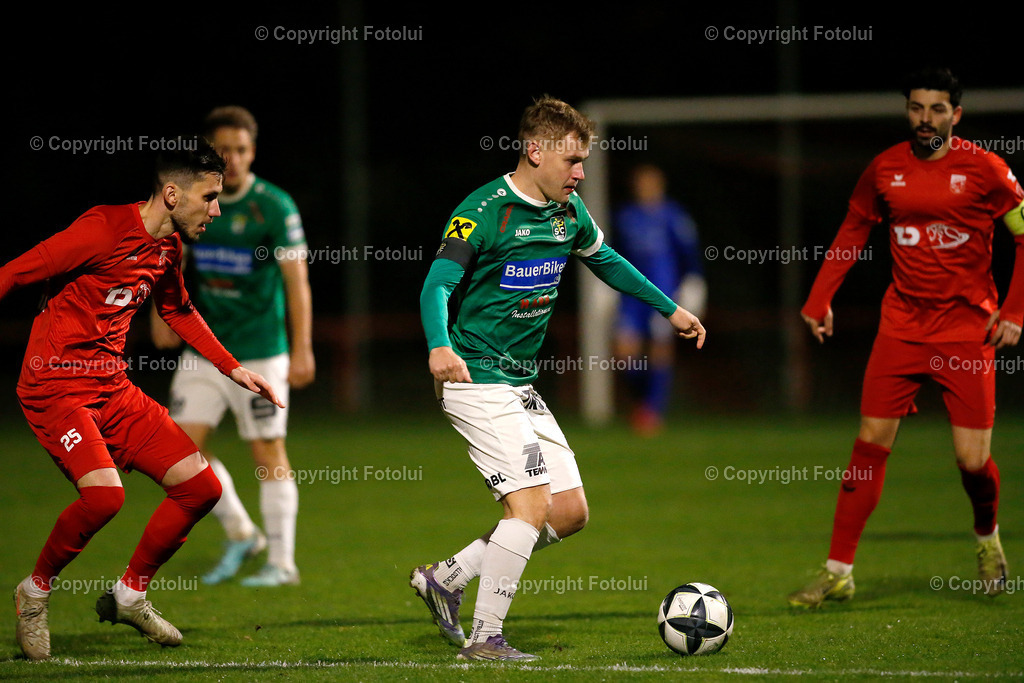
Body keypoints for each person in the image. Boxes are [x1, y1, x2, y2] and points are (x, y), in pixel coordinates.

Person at [410, 96, 706, 661]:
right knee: (529, 505)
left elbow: (607, 260)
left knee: (569, 512)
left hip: (520, 384)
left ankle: (447, 578)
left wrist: (669, 309)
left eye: (584, 160)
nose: (581, 172)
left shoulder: (568, 212)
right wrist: (440, 343)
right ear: (534, 151)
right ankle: (485, 638)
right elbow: (437, 283)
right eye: (571, 160)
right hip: (476, 379)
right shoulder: (485, 209)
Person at [4, 141, 284, 660]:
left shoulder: (168, 248)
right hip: (56, 387)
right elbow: (16, 272)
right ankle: (35, 592)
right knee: (105, 497)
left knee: (201, 488)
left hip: (112, 388)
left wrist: (233, 367)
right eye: (210, 196)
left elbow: (178, 311)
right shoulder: (102, 229)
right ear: (173, 194)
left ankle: (130, 594)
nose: (217, 209)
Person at [788, 67, 1024, 608]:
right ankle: (838, 569)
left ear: (956, 115)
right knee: (870, 442)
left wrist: (1014, 310)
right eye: (916, 108)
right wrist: (820, 296)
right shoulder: (885, 168)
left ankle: (987, 538)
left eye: (937, 109)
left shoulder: (986, 170)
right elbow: (852, 230)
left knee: (971, 462)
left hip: (967, 331)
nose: (925, 119)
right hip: (901, 327)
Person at [151, 106, 313, 588]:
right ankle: (242, 532)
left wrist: (302, 347)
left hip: (261, 351)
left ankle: (282, 563)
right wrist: (161, 317)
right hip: (205, 347)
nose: (234, 159)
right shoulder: (193, 199)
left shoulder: (275, 206)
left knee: (267, 452)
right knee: (175, 453)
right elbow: (164, 256)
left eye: (242, 150)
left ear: (253, 152)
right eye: (224, 150)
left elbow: (296, 280)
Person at [614, 164, 706, 435]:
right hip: (630, 297)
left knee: (660, 351)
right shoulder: (625, 216)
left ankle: (652, 412)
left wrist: (694, 283)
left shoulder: (673, 216)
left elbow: (689, 253)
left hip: (664, 294)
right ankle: (641, 401)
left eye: (650, 183)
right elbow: (613, 254)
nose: (645, 188)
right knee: (624, 354)